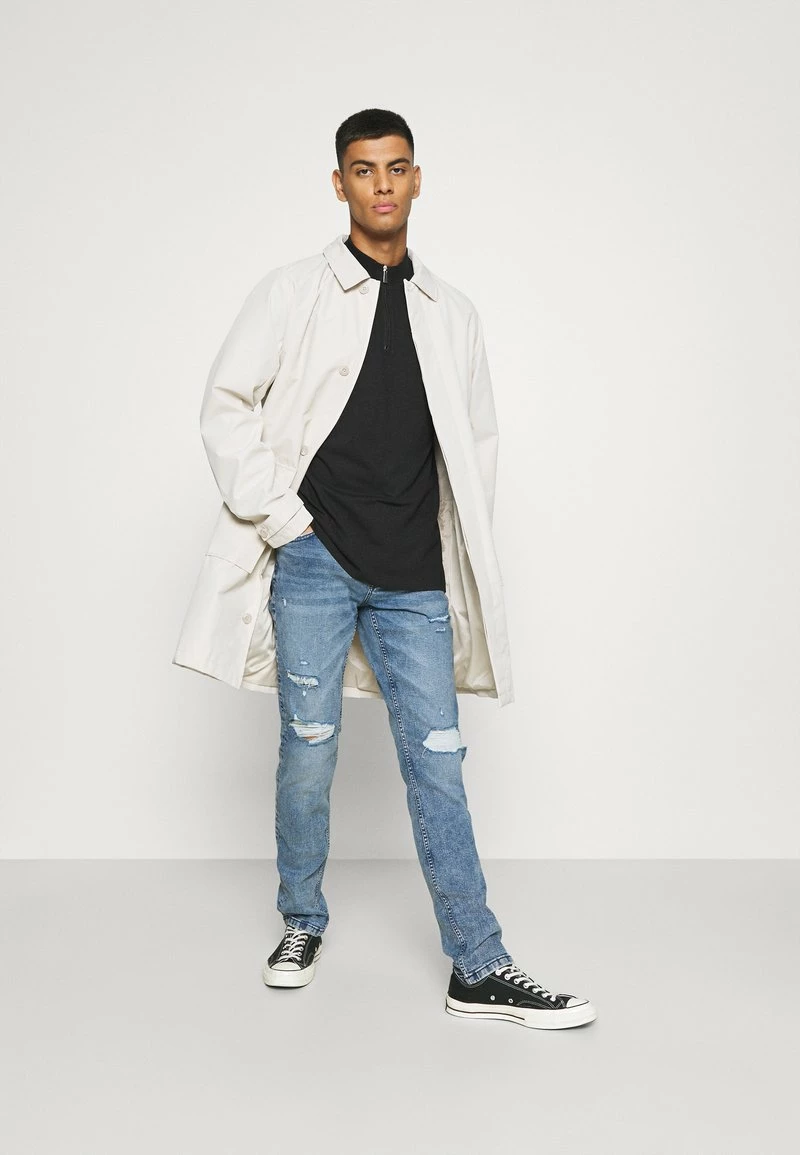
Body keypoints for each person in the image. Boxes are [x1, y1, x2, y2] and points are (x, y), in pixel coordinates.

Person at [178, 108, 596, 1030]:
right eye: (363, 170)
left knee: (439, 763)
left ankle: (477, 964)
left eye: (396, 167)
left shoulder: (455, 313)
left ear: (417, 179)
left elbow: (474, 450)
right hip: (315, 562)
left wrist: (451, 550)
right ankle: (301, 918)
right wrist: (285, 520)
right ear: (340, 184)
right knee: (309, 749)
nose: (381, 184)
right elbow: (225, 405)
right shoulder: (292, 292)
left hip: (414, 577)